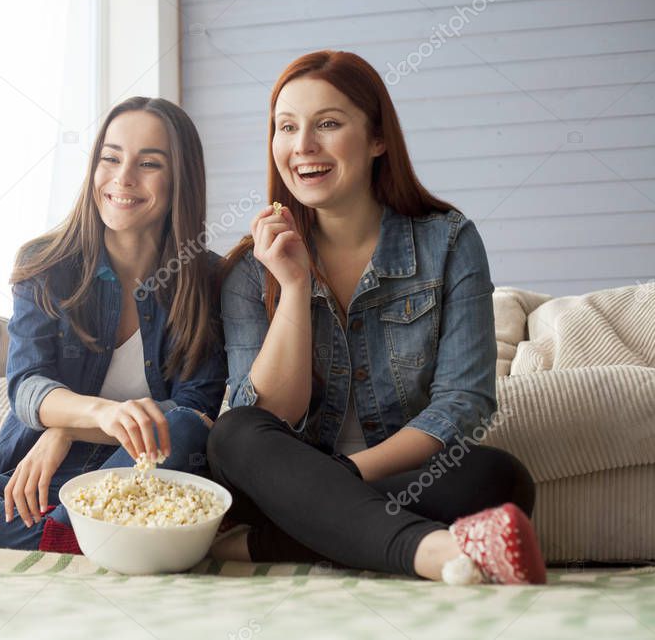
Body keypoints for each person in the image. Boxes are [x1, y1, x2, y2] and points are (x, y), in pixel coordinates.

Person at [207, 50, 546, 585]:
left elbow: (464, 403)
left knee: (499, 478)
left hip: (393, 477)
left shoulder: (449, 241)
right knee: (233, 432)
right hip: (280, 481)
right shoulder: (252, 270)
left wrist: (342, 477)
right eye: (286, 127)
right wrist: (294, 285)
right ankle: (430, 550)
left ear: (378, 138)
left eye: (328, 124)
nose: (302, 146)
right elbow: (269, 417)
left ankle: (262, 544)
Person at [0, 97, 227, 553]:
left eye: (149, 163)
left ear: (180, 179)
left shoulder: (207, 279)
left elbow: (196, 411)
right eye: (110, 158)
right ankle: (59, 540)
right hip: (23, 487)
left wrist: (67, 428)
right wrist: (101, 414)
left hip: (131, 485)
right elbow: (27, 385)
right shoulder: (45, 265)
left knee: (186, 427)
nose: (123, 178)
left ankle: (1, 535)